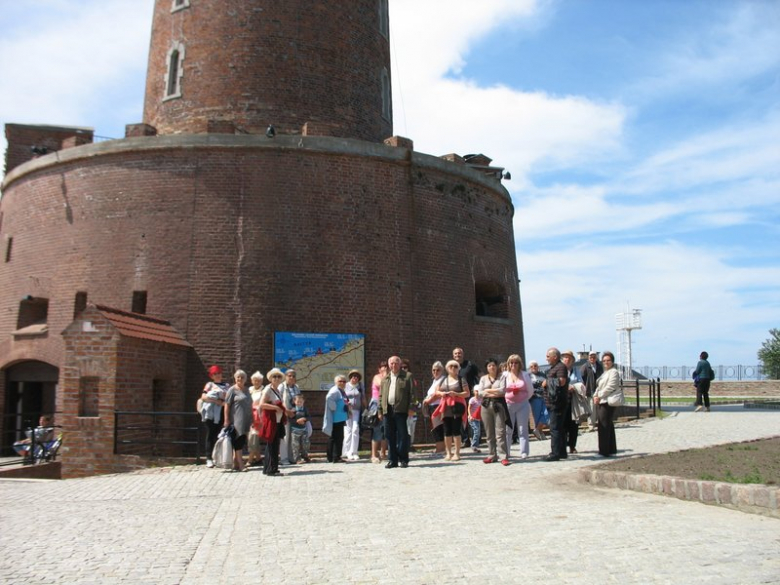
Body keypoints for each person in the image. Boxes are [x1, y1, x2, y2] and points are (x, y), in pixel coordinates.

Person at [378, 355, 415, 468]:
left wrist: (411, 408)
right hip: (387, 410)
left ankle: (403, 459)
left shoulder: (407, 377)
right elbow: (381, 396)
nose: (394, 365)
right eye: (392, 363)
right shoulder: (385, 379)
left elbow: (412, 394)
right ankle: (392, 460)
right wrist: (380, 410)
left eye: (396, 363)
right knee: (389, 435)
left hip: (401, 410)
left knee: (403, 435)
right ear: (389, 365)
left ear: (399, 364)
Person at [431, 360, 469, 462]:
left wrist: (456, 394)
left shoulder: (462, 379)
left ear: (458, 368)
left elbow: (467, 393)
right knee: (447, 430)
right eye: (451, 366)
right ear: (447, 368)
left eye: (455, 366)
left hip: (457, 406)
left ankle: (457, 453)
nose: (453, 368)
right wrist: (442, 394)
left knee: (456, 430)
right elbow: (437, 391)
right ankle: (448, 452)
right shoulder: (444, 380)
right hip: (446, 407)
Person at [259, 368, 292, 476]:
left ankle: (272, 467)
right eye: (274, 377)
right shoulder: (268, 389)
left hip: (278, 421)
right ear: (270, 378)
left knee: (275, 444)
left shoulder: (277, 390)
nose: (276, 379)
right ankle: (270, 469)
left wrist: (285, 411)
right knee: (271, 444)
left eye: (278, 377)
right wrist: (274, 408)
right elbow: (262, 404)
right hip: (271, 421)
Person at [478, 358, 509, 464]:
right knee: (489, 432)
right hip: (486, 405)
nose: (492, 367)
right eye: (489, 365)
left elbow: (502, 391)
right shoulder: (483, 379)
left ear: (497, 367)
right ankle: (492, 455)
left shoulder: (502, 377)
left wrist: (488, 391)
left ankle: (503, 456)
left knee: (500, 431)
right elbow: (480, 393)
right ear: (487, 368)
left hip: (498, 405)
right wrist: (492, 392)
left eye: (493, 365)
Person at [504, 354, 532, 462]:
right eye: (511, 363)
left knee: (522, 429)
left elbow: (530, 390)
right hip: (509, 404)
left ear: (519, 364)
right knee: (508, 429)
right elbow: (502, 389)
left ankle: (524, 452)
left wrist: (524, 398)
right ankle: (506, 451)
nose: (513, 365)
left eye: (516, 362)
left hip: (522, 404)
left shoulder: (524, 375)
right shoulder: (505, 375)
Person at [223, 370, 253, 472]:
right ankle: (240, 464)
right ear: (235, 378)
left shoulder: (247, 390)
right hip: (236, 420)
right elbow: (227, 405)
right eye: (238, 377)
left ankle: (236, 463)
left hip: (246, 419)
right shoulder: (232, 390)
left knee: (241, 440)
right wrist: (226, 419)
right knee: (238, 441)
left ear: (245, 379)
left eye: (242, 377)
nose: (240, 379)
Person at [543, 347, 569, 461]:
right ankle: (562, 452)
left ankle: (555, 453)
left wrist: (546, 382)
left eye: (548, 356)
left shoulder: (561, 367)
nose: (546, 358)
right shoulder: (553, 367)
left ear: (555, 357)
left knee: (555, 428)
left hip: (557, 402)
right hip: (552, 402)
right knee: (559, 428)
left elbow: (562, 381)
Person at [593, 351, 621, 457]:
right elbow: (599, 386)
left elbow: (610, 387)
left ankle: (604, 451)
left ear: (612, 361)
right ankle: (611, 449)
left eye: (608, 360)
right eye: (604, 360)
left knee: (603, 425)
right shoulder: (605, 373)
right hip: (602, 400)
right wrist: (596, 395)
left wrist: (599, 395)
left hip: (607, 401)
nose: (606, 362)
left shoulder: (614, 372)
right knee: (608, 424)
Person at [200, 365, 228, 468]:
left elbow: (228, 399)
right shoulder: (209, 385)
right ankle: (209, 458)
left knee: (219, 435)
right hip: (211, 413)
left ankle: (217, 457)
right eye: (215, 374)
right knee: (210, 434)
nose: (217, 375)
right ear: (212, 376)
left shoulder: (226, 385)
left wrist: (223, 403)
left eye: (219, 373)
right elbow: (203, 397)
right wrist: (216, 401)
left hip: (221, 412)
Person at [453, 347, 477, 444]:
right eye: (456, 353)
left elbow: (479, 374)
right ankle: (465, 439)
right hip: (457, 397)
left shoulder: (469, 365)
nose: (458, 355)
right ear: (453, 356)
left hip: (468, 395)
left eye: (459, 353)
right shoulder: (452, 367)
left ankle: (474, 438)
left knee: (470, 418)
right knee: (459, 418)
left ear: (463, 354)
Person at [561, 349, 583, 455]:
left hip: (573, 400)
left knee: (574, 424)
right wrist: (566, 387)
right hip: (563, 400)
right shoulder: (560, 370)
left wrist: (573, 386)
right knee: (563, 424)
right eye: (565, 357)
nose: (567, 360)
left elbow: (581, 382)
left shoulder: (576, 370)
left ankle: (572, 446)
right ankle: (563, 445)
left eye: (569, 358)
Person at [323, 375, 349, 463]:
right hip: (336, 418)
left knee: (334, 437)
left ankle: (331, 457)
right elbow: (328, 398)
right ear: (336, 382)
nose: (342, 383)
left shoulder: (341, 391)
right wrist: (334, 407)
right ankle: (335, 457)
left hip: (340, 417)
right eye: (340, 381)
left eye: (344, 381)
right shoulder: (335, 390)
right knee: (337, 437)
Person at [423, 361, 446, 455]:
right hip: (432, 406)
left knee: (439, 427)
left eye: (438, 370)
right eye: (434, 370)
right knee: (435, 427)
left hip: (439, 406)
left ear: (442, 371)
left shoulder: (443, 380)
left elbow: (437, 395)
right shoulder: (434, 381)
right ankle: (439, 447)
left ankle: (441, 449)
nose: (435, 372)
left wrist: (428, 401)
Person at [279, 369, 302, 465]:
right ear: (285, 376)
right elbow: (279, 401)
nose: (291, 378)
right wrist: (287, 411)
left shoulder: (296, 387)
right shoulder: (282, 387)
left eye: (293, 376)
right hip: (285, 414)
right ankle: (284, 458)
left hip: (295, 415)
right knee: (286, 436)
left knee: (294, 437)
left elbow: (300, 400)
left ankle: (293, 457)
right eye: (289, 376)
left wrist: (298, 411)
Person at [342, 369, 364, 461]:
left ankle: (354, 451)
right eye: (353, 376)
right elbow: (342, 397)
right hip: (347, 410)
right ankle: (347, 452)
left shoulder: (360, 386)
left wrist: (366, 408)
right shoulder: (346, 386)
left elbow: (363, 397)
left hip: (357, 411)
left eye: (357, 376)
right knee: (348, 431)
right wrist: (347, 404)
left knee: (355, 430)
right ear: (350, 377)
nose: (355, 378)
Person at [370, 361, 389, 463]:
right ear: (379, 369)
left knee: (385, 430)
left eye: (386, 366)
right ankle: (373, 454)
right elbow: (381, 384)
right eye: (383, 367)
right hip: (376, 404)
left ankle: (383, 453)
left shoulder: (389, 377)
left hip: (386, 404)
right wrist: (385, 376)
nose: (385, 368)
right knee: (377, 429)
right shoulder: (376, 377)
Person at [580, 351, 603, 431]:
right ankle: (591, 425)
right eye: (591, 357)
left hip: (599, 389)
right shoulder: (585, 367)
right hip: (590, 390)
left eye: (594, 357)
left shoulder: (599, 366)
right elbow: (582, 378)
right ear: (588, 358)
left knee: (600, 408)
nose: (592, 358)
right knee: (591, 409)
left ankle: (600, 424)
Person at [401, 359, 421, 449]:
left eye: (405, 367)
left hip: (411, 405)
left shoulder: (412, 379)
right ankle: (405, 445)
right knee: (404, 426)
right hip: (402, 406)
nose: (403, 369)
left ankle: (410, 444)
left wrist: (414, 405)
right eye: (402, 367)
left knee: (411, 427)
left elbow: (414, 393)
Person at [247, 371, 265, 467]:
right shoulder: (249, 390)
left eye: (258, 380)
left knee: (253, 437)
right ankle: (258, 458)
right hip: (249, 416)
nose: (256, 382)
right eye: (255, 380)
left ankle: (250, 460)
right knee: (252, 438)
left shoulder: (263, 390)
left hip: (258, 417)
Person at [527, 360, 549, 441]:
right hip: (534, 398)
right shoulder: (528, 376)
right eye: (532, 366)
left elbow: (547, 382)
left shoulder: (543, 374)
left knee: (547, 414)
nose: (534, 367)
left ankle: (536, 429)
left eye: (535, 365)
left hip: (544, 396)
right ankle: (540, 433)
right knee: (537, 416)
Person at [290, 394, 311, 463]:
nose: (299, 403)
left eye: (301, 401)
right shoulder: (293, 409)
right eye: (298, 401)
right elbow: (290, 419)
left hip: (304, 429)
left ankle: (305, 455)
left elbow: (309, 417)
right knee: (295, 445)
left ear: (303, 401)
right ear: (294, 401)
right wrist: (297, 421)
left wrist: (304, 419)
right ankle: (297, 459)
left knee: (306, 444)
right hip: (295, 430)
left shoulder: (305, 409)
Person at [467, 385, 482, 453]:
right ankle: (474, 445)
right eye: (476, 391)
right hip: (472, 418)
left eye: (479, 391)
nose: (477, 392)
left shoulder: (481, 399)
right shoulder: (472, 399)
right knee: (476, 431)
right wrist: (470, 415)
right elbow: (469, 408)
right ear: (474, 392)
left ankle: (475, 445)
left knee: (476, 431)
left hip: (478, 418)